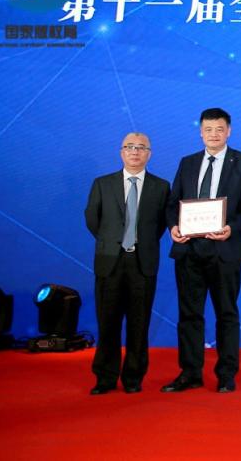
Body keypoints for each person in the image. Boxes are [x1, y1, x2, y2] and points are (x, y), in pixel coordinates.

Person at [162, 108, 241, 394]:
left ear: (229, 131)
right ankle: (190, 372)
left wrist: (231, 227)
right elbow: (173, 203)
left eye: (219, 129)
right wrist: (173, 227)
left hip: (225, 249)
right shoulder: (188, 162)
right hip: (189, 250)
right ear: (201, 132)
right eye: (208, 129)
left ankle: (226, 374)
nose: (214, 134)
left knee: (226, 313)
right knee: (189, 314)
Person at [84, 132, 169, 394]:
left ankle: (133, 378)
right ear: (121, 152)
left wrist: (138, 243)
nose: (135, 151)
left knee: (139, 324)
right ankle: (105, 378)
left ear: (149, 154)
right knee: (107, 323)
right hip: (110, 261)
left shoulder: (161, 187)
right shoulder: (103, 183)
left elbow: (160, 225)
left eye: (141, 148)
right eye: (130, 147)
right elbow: (93, 219)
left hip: (142, 263)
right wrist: (113, 241)